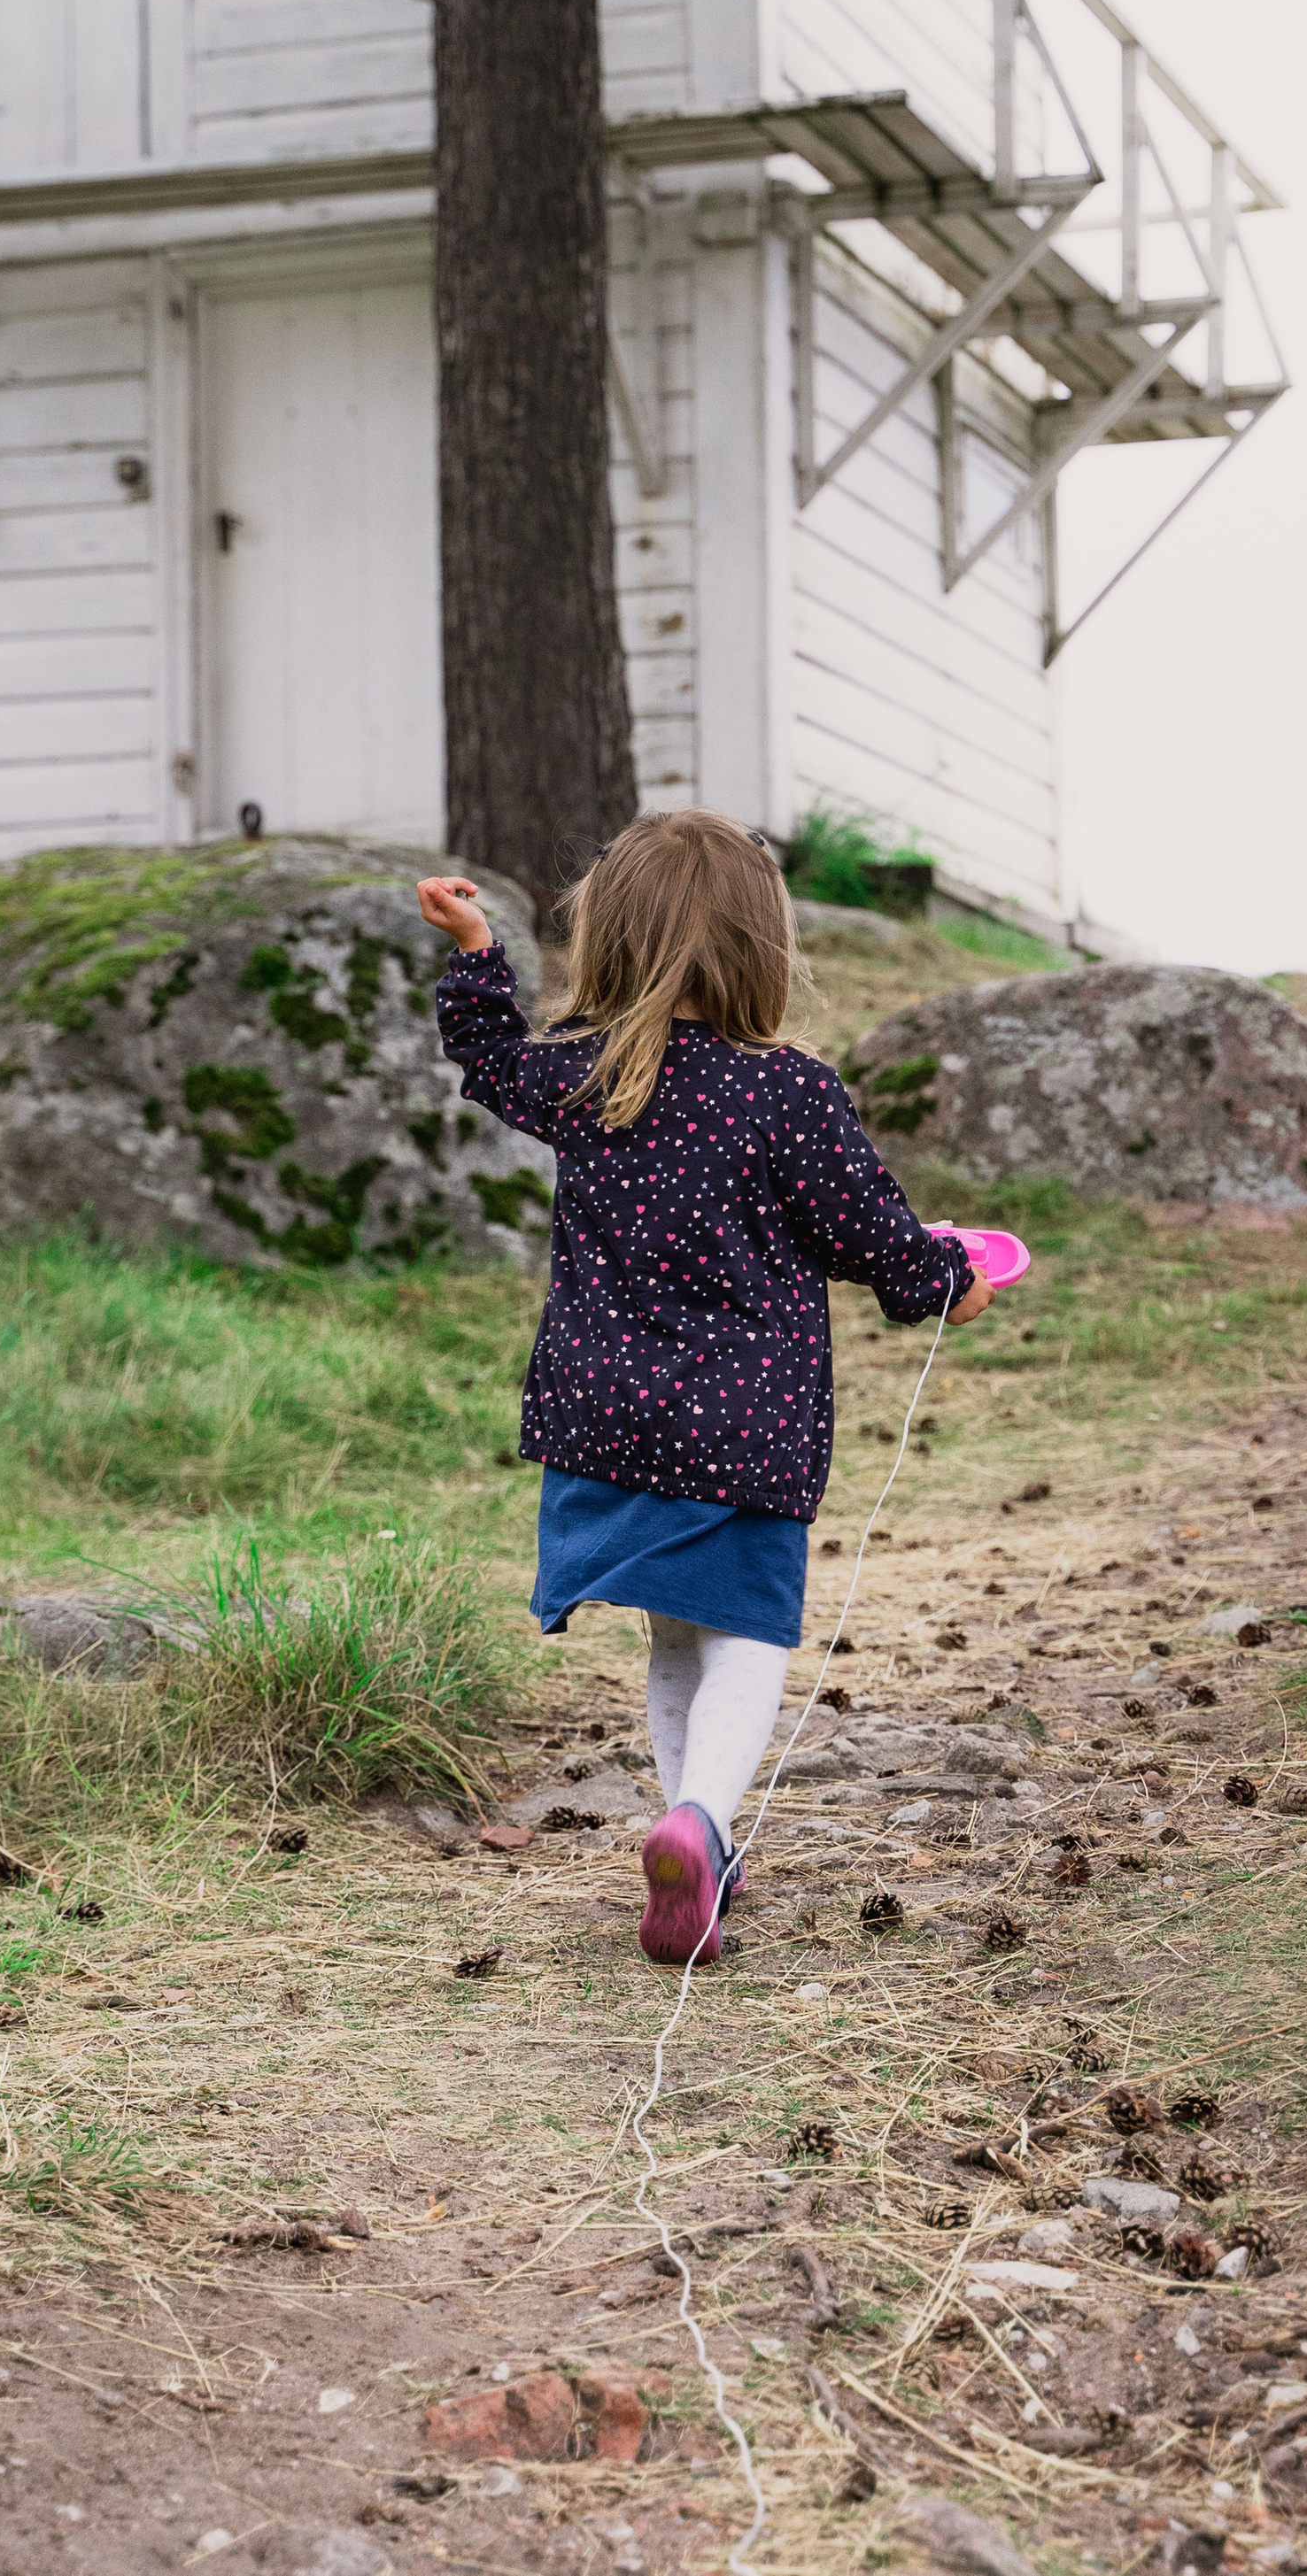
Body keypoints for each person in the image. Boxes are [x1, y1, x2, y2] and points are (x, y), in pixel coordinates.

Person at [418, 814, 991, 1968]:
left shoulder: (590, 1076)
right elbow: (872, 1231)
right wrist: (950, 1280)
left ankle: (696, 1863)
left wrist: (479, 951)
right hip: (746, 1425)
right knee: (749, 1638)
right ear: (762, 948)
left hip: (606, 1417)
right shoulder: (789, 1094)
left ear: (609, 941)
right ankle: (701, 1825)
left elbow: (487, 1063)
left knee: (675, 1637)